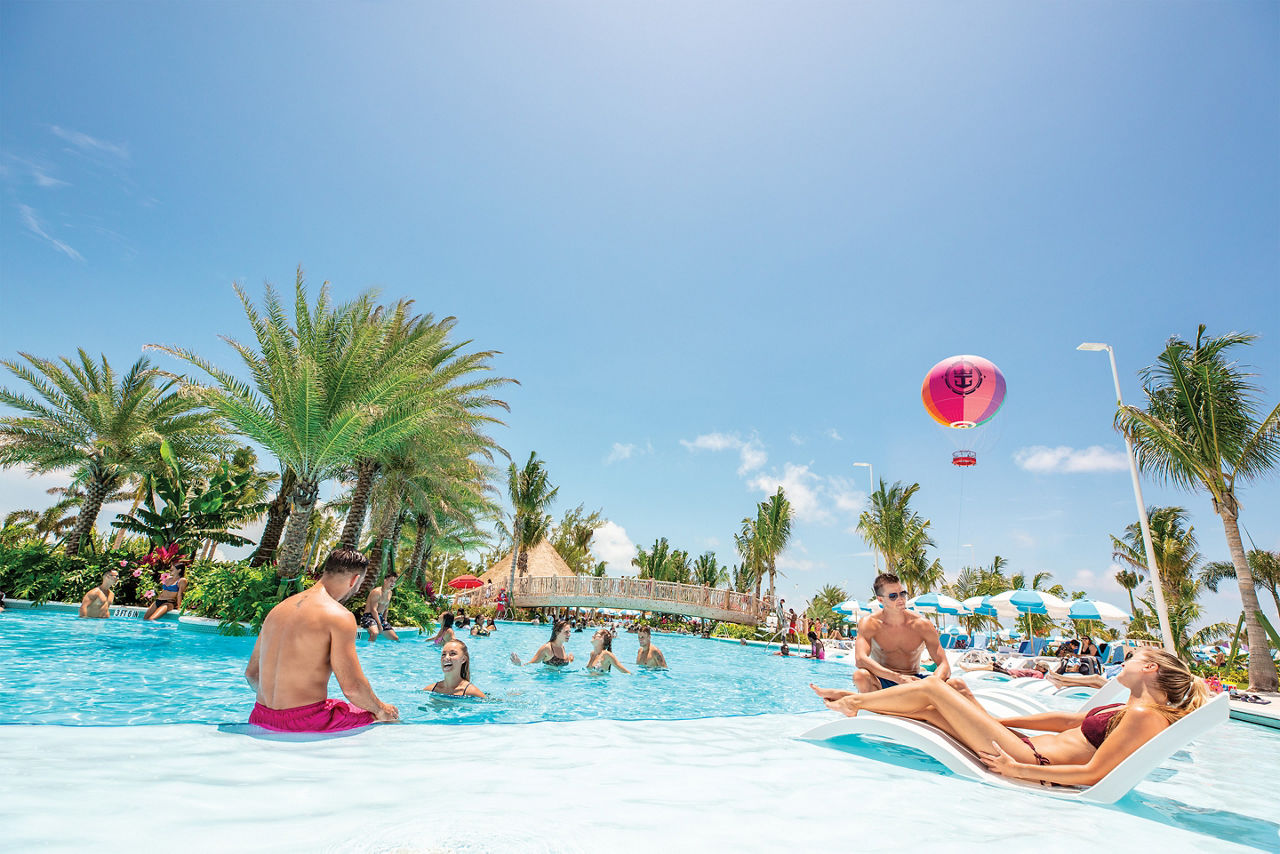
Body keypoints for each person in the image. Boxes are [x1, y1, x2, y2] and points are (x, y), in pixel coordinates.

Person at [810, 647, 1209, 787]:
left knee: (935, 688)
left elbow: (1094, 775)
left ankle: (853, 702)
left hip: (1029, 760)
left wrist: (1017, 770)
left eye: (1134, 659)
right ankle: (854, 701)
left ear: (1151, 670)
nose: (1125, 660)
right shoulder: (1132, 707)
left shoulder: (1145, 717)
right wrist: (995, 721)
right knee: (932, 708)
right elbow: (1065, 721)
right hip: (1024, 746)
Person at [244, 548, 398, 732]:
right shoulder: (338, 615)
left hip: (260, 716)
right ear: (354, 580)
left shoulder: (277, 610)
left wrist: (279, 704)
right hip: (306, 721)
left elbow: (252, 674)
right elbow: (352, 688)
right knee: (381, 715)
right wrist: (382, 709)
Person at [851, 573, 952, 692]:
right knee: (860, 676)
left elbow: (944, 665)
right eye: (893, 596)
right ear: (880, 599)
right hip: (883, 680)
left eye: (902, 594)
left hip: (914, 680)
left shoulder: (922, 625)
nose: (900, 599)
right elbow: (860, 660)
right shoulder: (870, 623)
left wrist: (931, 684)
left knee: (955, 683)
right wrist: (899, 679)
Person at [358, 572, 401, 643]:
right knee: (375, 633)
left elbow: (386, 609)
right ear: (385, 580)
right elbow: (373, 610)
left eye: (394, 582)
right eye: (391, 581)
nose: (393, 583)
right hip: (368, 617)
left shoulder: (390, 593)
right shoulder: (377, 592)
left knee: (395, 638)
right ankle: (369, 651)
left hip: (380, 617)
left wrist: (384, 621)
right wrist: (379, 624)